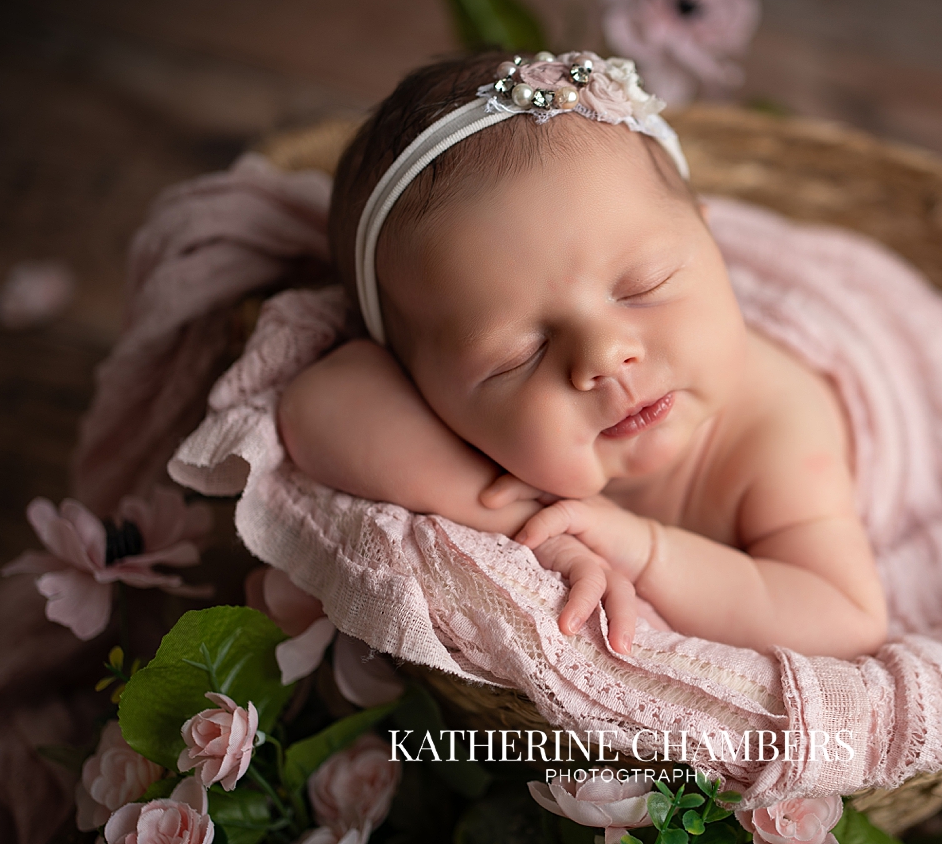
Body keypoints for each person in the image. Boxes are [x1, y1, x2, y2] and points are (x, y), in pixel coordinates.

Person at [277, 50, 887, 659]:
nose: (605, 355)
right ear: (420, 386)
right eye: (519, 355)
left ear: (710, 240)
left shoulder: (777, 428)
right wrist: (525, 524)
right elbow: (317, 405)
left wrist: (646, 550)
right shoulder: (464, 423)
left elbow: (844, 617)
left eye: (644, 287)